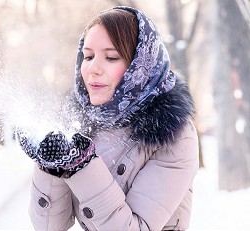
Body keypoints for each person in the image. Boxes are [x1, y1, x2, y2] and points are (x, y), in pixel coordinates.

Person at [17, 6, 199, 231]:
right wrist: (50, 166)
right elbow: (49, 227)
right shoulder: (83, 123)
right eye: (88, 56)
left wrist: (81, 166)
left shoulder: (173, 134)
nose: (93, 68)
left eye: (111, 57)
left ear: (140, 65)